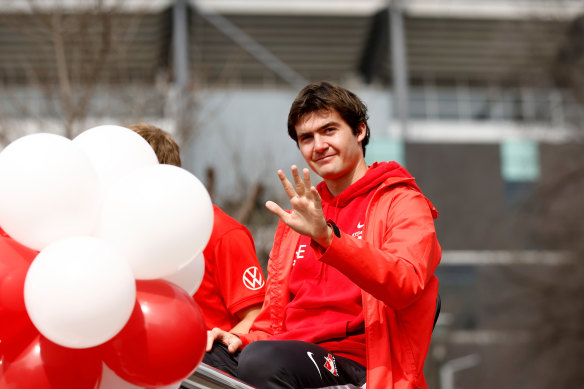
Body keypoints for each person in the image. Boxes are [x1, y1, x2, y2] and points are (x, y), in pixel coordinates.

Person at [204, 82, 441, 389]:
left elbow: (405, 284)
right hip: (286, 355)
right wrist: (238, 337)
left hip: (354, 366)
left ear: (360, 131)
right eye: (306, 138)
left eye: (329, 131)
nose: (318, 146)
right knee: (194, 360)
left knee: (263, 361)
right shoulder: (301, 216)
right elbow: (273, 320)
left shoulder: (401, 201)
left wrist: (329, 239)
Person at [127, 123, 265, 333]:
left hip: (204, 359)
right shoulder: (117, 232)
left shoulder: (223, 232)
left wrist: (215, 342)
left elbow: (257, 319)